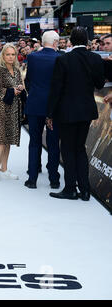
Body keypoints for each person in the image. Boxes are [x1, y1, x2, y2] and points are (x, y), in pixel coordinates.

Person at [47, 27, 105, 201]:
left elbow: (56, 89)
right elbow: (100, 84)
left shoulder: (64, 60)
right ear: (87, 40)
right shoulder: (95, 58)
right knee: (80, 148)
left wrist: (49, 114)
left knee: (67, 149)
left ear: (71, 41)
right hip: (86, 111)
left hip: (67, 112)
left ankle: (70, 189)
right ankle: (85, 190)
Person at [24, 31, 61, 190]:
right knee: (53, 143)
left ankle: (32, 178)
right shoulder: (60, 58)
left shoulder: (32, 57)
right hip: (53, 107)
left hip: (34, 104)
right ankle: (54, 179)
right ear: (55, 43)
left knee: (34, 141)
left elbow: (28, 80)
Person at [0, 43, 24, 182]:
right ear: (3, 55)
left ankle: (4, 168)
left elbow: (19, 84)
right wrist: (10, 91)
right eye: (7, 54)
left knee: (9, 141)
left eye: (13, 54)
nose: (10, 57)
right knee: (1, 141)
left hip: (13, 108)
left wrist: (19, 87)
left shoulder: (16, 69)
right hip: (0, 109)